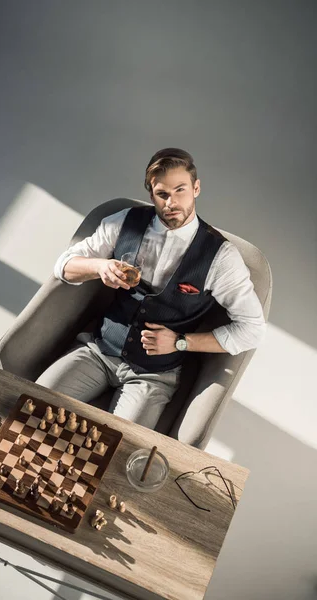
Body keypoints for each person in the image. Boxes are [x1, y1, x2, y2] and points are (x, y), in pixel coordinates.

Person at [36, 148, 266, 429]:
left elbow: (252, 329)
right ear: (151, 194)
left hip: (154, 374)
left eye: (180, 190)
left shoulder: (220, 257)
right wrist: (99, 266)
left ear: (196, 188)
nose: (172, 202)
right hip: (98, 350)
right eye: (162, 194)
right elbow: (64, 265)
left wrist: (182, 342)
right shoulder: (125, 222)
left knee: (116, 446)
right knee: (31, 407)